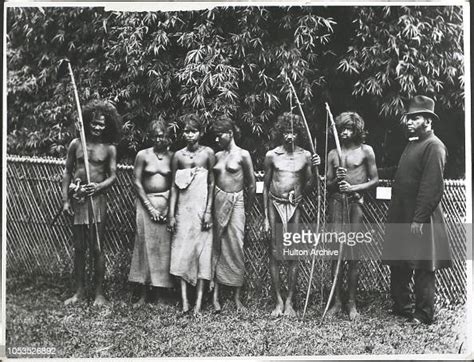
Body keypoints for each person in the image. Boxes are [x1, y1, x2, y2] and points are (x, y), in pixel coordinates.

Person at [382, 95, 452, 325]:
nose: (409, 122)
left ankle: (423, 314)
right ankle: (402, 306)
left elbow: (432, 187)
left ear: (428, 121)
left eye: (416, 118)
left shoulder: (434, 146)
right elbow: (401, 173)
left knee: (423, 265)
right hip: (402, 214)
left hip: (421, 217)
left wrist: (418, 219)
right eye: (409, 118)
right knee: (399, 260)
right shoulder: (413, 143)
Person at [62, 100, 121, 306]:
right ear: (88, 122)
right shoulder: (76, 144)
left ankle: (99, 293)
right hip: (78, 200)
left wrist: (98, 187)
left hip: (97, 201)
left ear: (107, 126)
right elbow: (68, 172)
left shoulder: (109, 148)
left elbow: (113, 176)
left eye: (101, 125)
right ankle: (79, 291)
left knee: (97, 247)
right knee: (79, 248)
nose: (97, 127)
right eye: (94, 123)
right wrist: (65, 201)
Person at [263, 112, 320, 317]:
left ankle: (290, 302)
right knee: (274, 251)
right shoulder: (272, 155)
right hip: (274, 205)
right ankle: (277, 300)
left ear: (299, 135)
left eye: (294, 133)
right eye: (286, 132)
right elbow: (266, 187)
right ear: (281, 133)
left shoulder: (305, 155)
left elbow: (310, 184)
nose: (289, 136)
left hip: (294, 206)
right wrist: (265, 219)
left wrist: (314, 166)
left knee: (293, 253)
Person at [325, 112, 378, 320]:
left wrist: (353, 187)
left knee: (353, 255)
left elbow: (374, 180)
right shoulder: (332, 154)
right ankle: (336, 302)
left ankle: (352, 303)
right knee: (335, 254)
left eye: (348, 129)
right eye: (341, 129)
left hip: (355, 203)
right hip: (336, 204)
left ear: (356, 130)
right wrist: (336, 180)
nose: (344, 132)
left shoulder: (366, 151)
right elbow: (328, 186)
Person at [168, 114, 215, 315]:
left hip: (201, 208)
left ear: (201, 133)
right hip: (183, 210)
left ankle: (198, 303)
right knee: (181, 252)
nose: (189, 135)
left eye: (193, 131)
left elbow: (212, 183)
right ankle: (185, 302)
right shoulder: (178, 156)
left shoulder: (208, 154)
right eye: (186, 131)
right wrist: (171, 214)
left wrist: (208, 212)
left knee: (202, 253)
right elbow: (173, 187)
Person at [211, 116, 256, 312]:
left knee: (237, 245)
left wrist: (248, 208)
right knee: (216, 246)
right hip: (218, 201)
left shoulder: (243, 155)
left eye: (219, 135)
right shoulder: (217, 155)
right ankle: (215, 296)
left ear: (230, 133)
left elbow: (252, 184)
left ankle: (237, 298)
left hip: (237, 201)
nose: (216, 139)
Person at [128, 119, 174, 307]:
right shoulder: (143, 155)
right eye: (154, 136)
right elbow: (137, 181)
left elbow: (174, 184)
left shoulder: (173, 157)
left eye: (161, 135)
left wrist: (165, 208)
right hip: (146, 204)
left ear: (167, 136)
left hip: (165, 205)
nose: (158, 139)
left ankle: (161, 294)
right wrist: (149, 206)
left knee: (163, 249)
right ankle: (144, 294)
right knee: (144, 246)